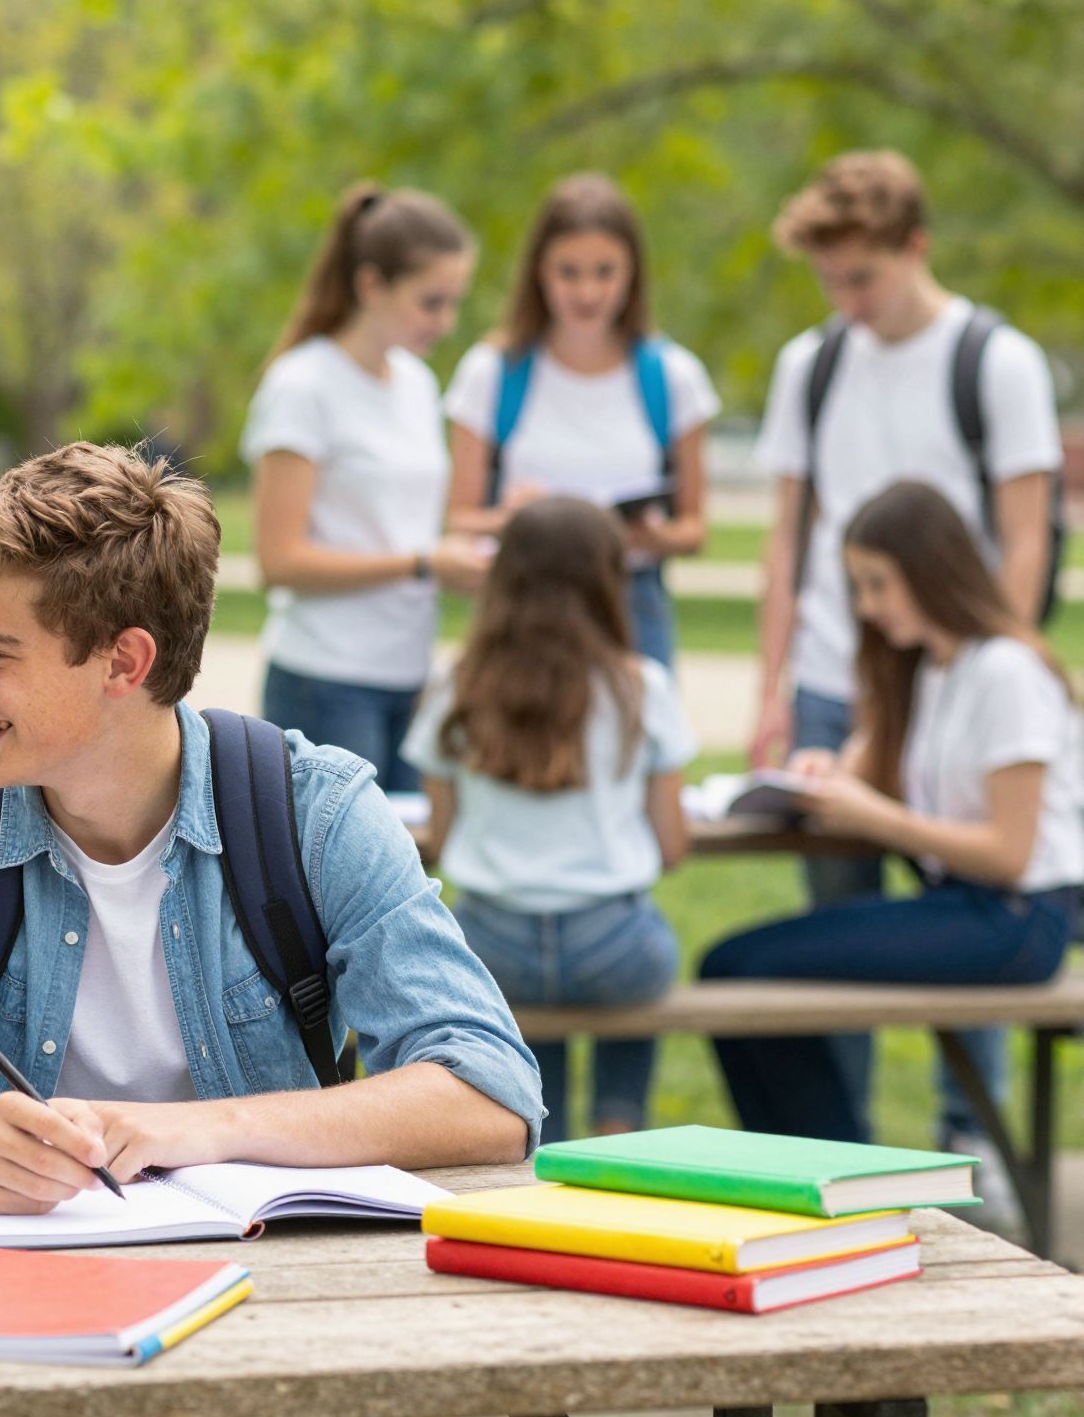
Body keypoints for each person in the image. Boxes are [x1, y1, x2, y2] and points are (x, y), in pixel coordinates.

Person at [0, 442, 540, 1417]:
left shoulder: (311, 806)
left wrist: (188, 1135)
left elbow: (487, 1089)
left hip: (261, 1309)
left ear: (123, 661)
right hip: (2, 1322)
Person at [745, 150, 1065, 1187]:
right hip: (849, 679)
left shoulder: (993, 361)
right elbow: (787, 536)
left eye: (862, 279)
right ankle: (832, 1158)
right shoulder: (814, 363)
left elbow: (1022, 535)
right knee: (834, 932)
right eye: (829, 281)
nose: (846, 301)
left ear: (912, 248)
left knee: (950, 890)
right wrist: (773, 691)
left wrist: (976, 675)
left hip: (953, 664)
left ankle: (963, 1138)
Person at [704, 481, 1083, 1159]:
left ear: (932, 570)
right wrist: (826, 774)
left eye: (878, 584)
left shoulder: (1007, 672)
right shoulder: (933, 668)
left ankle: (842, 1176)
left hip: (1021, 921)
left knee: (735, 970)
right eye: (859, 588)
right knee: (729, 968)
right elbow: (875, 778)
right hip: (969, 909)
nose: (868, 607)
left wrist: (873, 816)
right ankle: (819, 1170)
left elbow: (1010, 854)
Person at [405, 498, 694, 1144]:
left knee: (520, 996)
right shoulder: (640, 686)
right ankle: (620, 1128)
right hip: (612, 949)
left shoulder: (457, 685)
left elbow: (444, 841)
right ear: (609, 581)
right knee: (646, 957)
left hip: (492, 944)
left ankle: (549, 1131)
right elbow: (672, 845)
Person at [242, 182, 484, 793]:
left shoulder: (417, 384)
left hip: (409, 672)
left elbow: (405, 524)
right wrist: (423, 564)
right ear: (371, 284)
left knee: (405, 878)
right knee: (334, 885)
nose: (446, 322)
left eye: (455, 302)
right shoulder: (303, 386)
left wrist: (503, 526)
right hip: (326, 679)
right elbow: (279, 561)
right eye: (431, 302)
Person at [444, 173, 720, 669]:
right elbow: (458, 518)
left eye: (605, 272)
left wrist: (646, 535)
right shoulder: (491, 373)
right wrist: (515, 517)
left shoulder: (673, 377)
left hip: (631, 603)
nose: (587, 291)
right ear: (539, 273)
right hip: (524, 603)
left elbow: (694, 528)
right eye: (568, 272)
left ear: (633, 273)